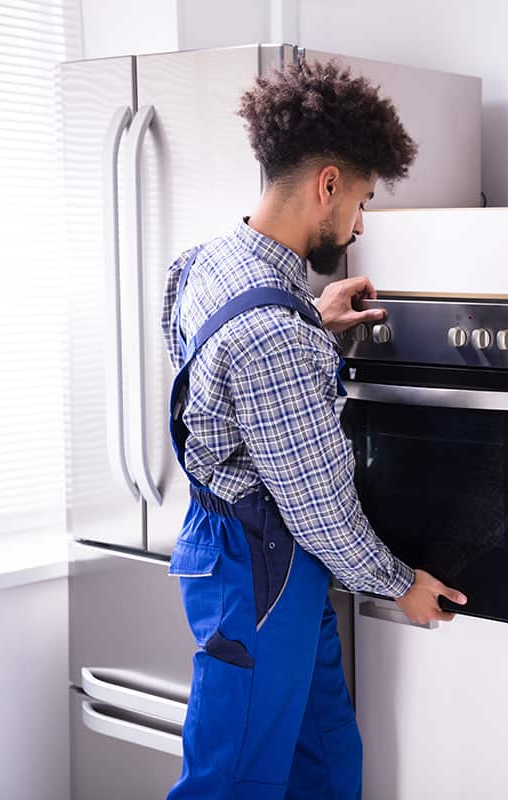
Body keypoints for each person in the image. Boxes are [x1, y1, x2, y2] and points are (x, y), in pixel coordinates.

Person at [162, 59, 466, 799]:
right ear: (327, 183)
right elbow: (319, 509)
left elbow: (216, 382)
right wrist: (401, 585)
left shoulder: (207, 263)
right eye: (360, 198)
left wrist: (313, 320)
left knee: (326, 761)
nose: (358, 223)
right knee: (231, 783)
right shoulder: (275, 332)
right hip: (256, 574)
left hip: (258, 561)